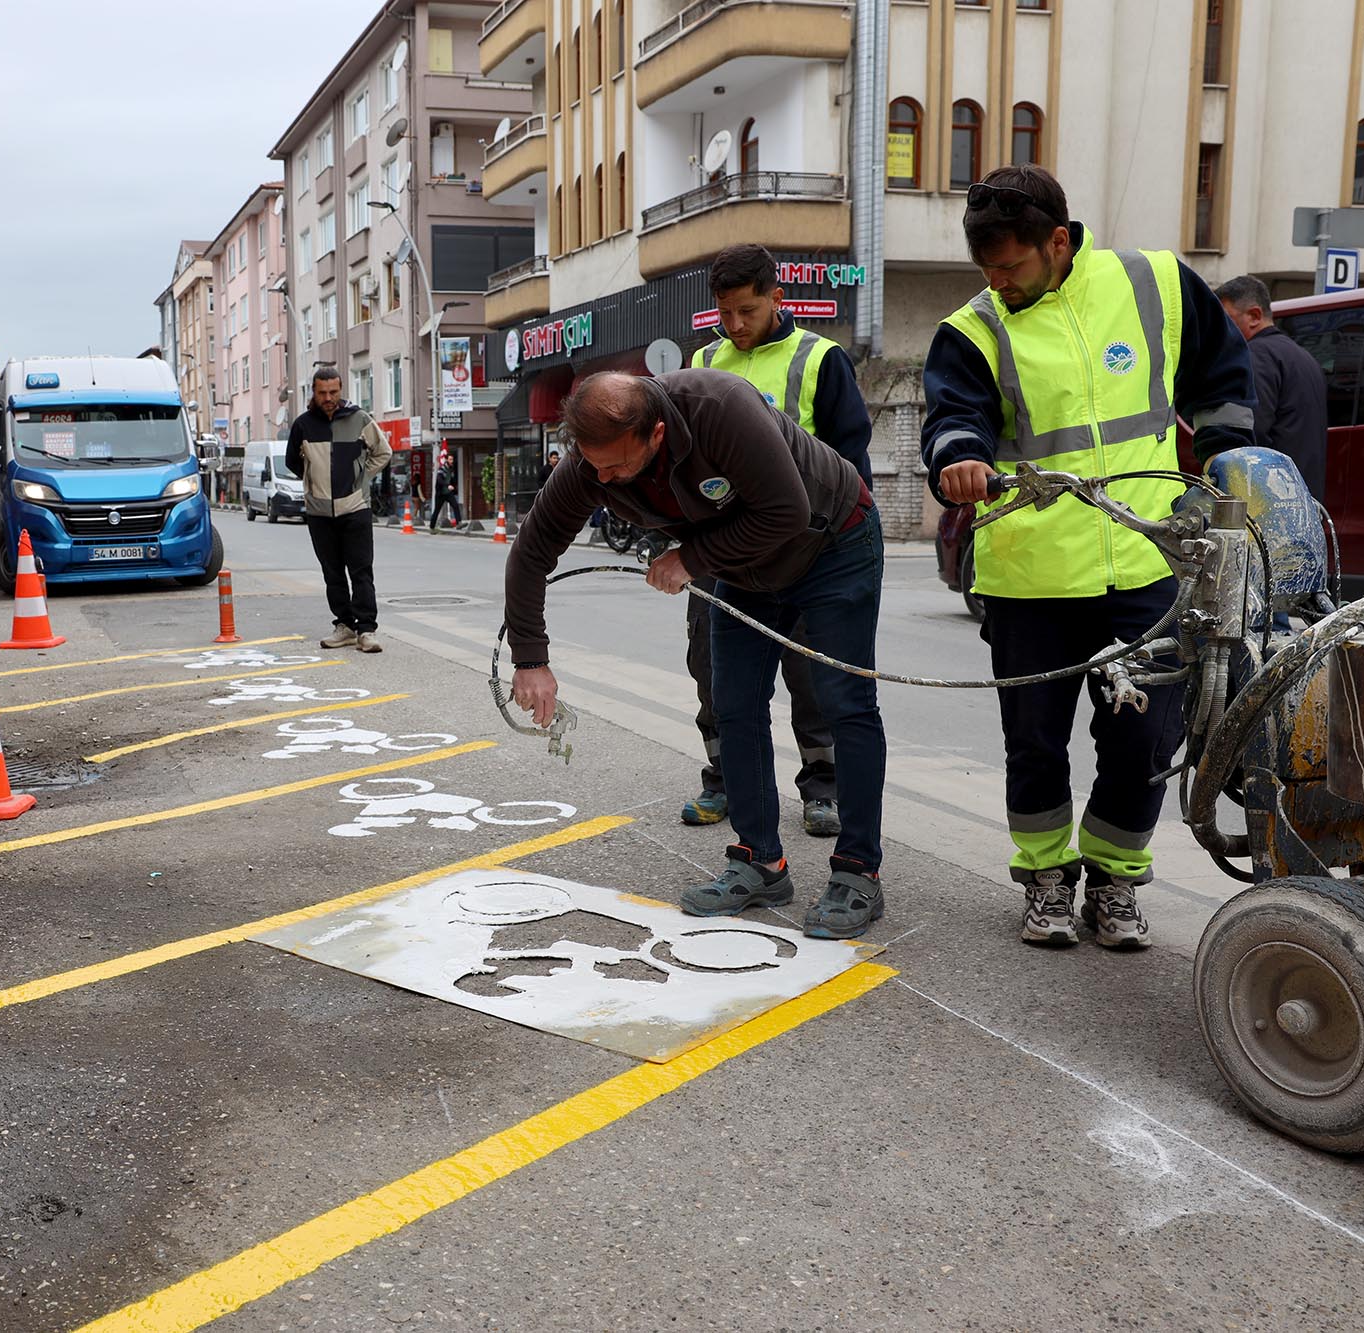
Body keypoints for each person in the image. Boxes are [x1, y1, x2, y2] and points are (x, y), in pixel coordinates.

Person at [922, 164, 1253, 951]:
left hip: (1144, 566)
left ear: (1058, 242)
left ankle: (1114, 880)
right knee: (1035, 740)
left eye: (1011, 266)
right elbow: (953, 416)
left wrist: (1223, 457)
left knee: (1141, 739)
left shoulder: (1157, 282)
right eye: (987, 271)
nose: (998, 283)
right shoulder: (973, 330)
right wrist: (960, 457)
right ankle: (1044, 876)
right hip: (1029, 576)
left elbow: (1221, 377)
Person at [506, 369, 888, 939]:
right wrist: (530, 659)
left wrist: (691, 557)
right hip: (745, 566)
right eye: (594, 465)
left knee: (844, 704)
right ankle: (760, 861)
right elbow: (531, 552)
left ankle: (859, 870)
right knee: (733, 706)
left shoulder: (721, 407)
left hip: (831, 539)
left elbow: (785, 508)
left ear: (656, 434)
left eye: (615, 466)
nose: (602, 479)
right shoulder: (592, 464)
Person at [684, 243, 875, 834]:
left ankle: (822, 787)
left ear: (777, 298)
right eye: (726, 312)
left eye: (747, 310)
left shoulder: (819, 359)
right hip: (723, 554)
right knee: (713, 671)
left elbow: (851, 464)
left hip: (806, 554)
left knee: (813, 676)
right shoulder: (703, 359)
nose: (736, 325)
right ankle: (722, 779)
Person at [286, 367, 392, 653]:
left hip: (355, 507)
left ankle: (366, 630)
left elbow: (383, 452)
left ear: (341, 389)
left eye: (333, 392)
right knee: (332, 573)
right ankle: (344, 626)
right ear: (314, 392)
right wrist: (314, 482)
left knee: (361, 571)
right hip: (319, 513)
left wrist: (361, 477)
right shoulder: (302, 425)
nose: (328, 398)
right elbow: (292, 462)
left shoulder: (359, 419)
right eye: (322, 393)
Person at [1214, 274, 1327, 501]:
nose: (1220, 331)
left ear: (1254, 316)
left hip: (1271, 499)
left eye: (1225, 320)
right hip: (1303, 495)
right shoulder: (1302, 356)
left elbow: (1250, 432)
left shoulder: (1254, 356)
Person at [429, 449, 464, 532]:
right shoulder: (441, 469)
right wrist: (447, 485)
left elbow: (452, 480)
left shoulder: (451, 469)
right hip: (441, 493)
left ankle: (459, 523)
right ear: (447, 460)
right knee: (437, 510)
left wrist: (454, 486)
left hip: (448, 493)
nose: (452, 461)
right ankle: (432, 527)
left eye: (452, 459)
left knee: (455, 505)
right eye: (450, 459)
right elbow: (439, 480)